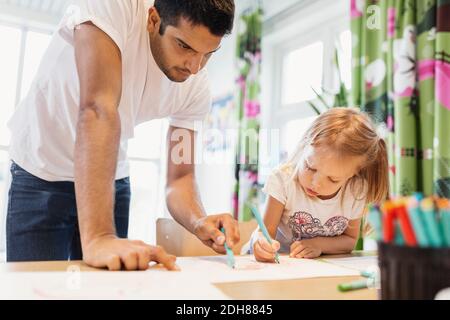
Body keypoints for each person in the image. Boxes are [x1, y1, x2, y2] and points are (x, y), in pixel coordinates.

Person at [6, 0, 240, 270]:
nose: (195, 67)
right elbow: (98, 108)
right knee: (37, 287)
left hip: (111, 177)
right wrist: (100, 237)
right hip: (42, 169)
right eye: (184, 46)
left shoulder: (197, 87)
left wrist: (199, 222)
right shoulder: (114, 5)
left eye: (209, 53)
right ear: (153, 20)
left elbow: (181, 178)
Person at [251, 107, 389, 262]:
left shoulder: (355, 191)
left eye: (333, 179)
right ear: (305, 146)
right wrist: (259, 243)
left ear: (353, 175)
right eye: (310, 167)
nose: (315, 183)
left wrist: (318, 245)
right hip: (278, 264)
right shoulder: (283, 180)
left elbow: (350, 240)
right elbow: (264, 232)